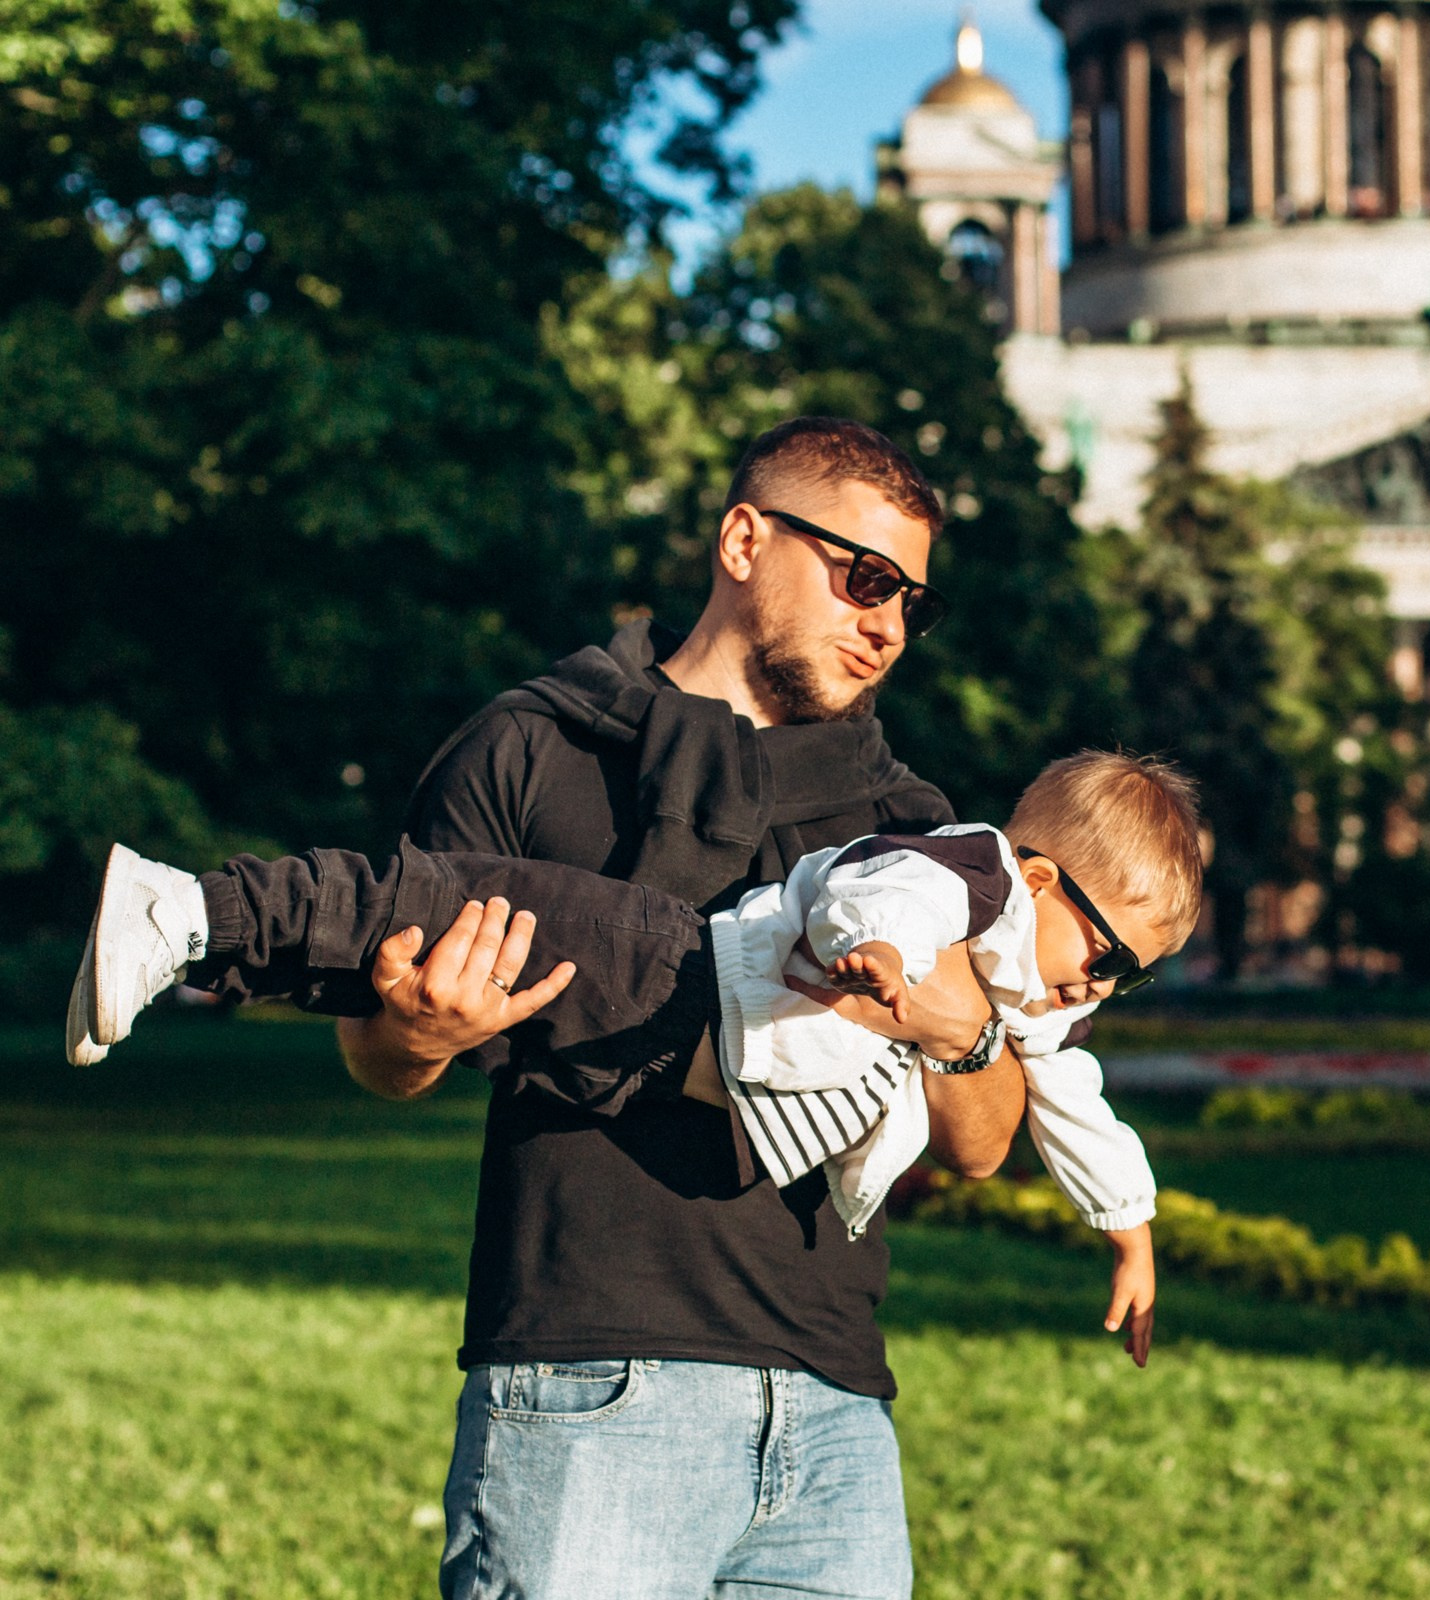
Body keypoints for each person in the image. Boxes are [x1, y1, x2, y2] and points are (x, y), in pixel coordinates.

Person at [210, 417, 1018, 1598]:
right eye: (866, 577)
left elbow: (985, 1139)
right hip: (589, 1385)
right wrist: (417, 1033)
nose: (889, 622)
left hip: (837, 1410)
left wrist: (968, 1028)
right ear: (745, 539)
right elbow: (374, 1051)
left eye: (914, 602)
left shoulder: (902, 826)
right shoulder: (534, 750)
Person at [69, 752, 1205, 1364]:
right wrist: (882, 957)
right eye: (1107, 953)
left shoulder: (1032, 1002)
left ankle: (203, 948)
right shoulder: (977, 877)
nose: (1100, 988)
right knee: (430, 909)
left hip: (666, 1064)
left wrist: (1129, 1227)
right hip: (677, 976)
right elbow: (877, 891)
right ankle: (190, 912)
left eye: (1132, 979)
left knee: (414, 958)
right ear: (1046, 883)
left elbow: (1073, 1107)